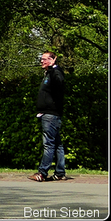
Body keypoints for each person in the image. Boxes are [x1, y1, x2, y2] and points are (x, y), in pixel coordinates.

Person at [28, 51, 67, 182]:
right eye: (41, 59)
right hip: (50, 114)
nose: (41, 61)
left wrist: (53, 68)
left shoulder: (55, 72)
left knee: (48, 144)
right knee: (57, 144)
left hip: (50, 115)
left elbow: (60, 82)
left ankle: (42, 173)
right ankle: (60, 172)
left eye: (44, 59)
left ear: (52, 60)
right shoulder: (49, 73)